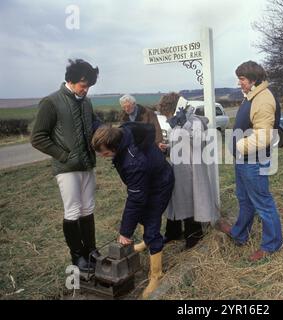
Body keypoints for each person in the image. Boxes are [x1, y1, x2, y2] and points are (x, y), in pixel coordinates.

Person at [31, 59, 101, 272]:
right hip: (66, 168)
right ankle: (77, 256)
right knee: (73, 211)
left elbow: (95, 124)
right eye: (83, 84)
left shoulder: (86, 102)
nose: (86, 88)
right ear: (70, 80)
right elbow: (38, 137)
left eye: (89, 84)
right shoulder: (51, 102)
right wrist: (63, 155)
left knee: (88, 208)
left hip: (87, 164)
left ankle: (91, 251)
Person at [92, 122, 174, 298]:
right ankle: (146, 243)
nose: (103, 156)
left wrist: (125, 232)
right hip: (148, 178)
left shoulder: (133, 161)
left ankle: (156, 275)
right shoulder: (122, 131)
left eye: (105, 153)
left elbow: (136, 199)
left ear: (115, 146)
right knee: (143, 216)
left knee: (151, 224)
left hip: (159, 185)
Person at [216, 61, 283, 262]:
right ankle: (239, 234)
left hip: (254, 161)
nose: (239, 83)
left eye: (242, 79)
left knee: (263, 203)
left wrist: (237, 146)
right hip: (244, 160)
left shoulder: (263, 99)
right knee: (244, 200)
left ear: (253, 79)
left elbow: (263, 138)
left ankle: (271, 245)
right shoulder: (252, 95)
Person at [153, 92, 220, 250]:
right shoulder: (177, 123)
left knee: (191, 201)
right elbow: (179, 143)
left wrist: (185, 126)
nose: (167, 117)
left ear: (173, 108)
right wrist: (167, 148)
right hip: (179, 168)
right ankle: (174, 232)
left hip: (192, 169)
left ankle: (194, 236)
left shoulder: (194, 121)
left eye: (167, 113)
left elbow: (199, 141)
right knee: (178, 200)